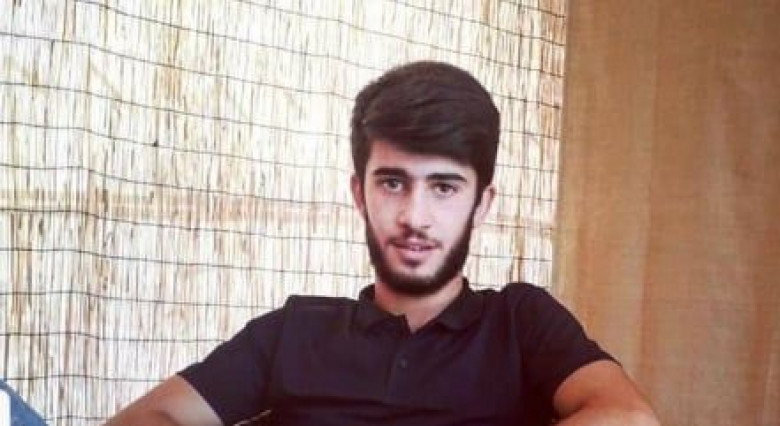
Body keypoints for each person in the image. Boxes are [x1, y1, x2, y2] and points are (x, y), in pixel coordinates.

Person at [107, 61, 659, 425]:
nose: (415, 217)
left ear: (482, 203)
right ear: (360, 193)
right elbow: (148, 418)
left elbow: (629, 417)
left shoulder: (520, 322)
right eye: (393, 183)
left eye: (444, 187)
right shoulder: (294, 331)